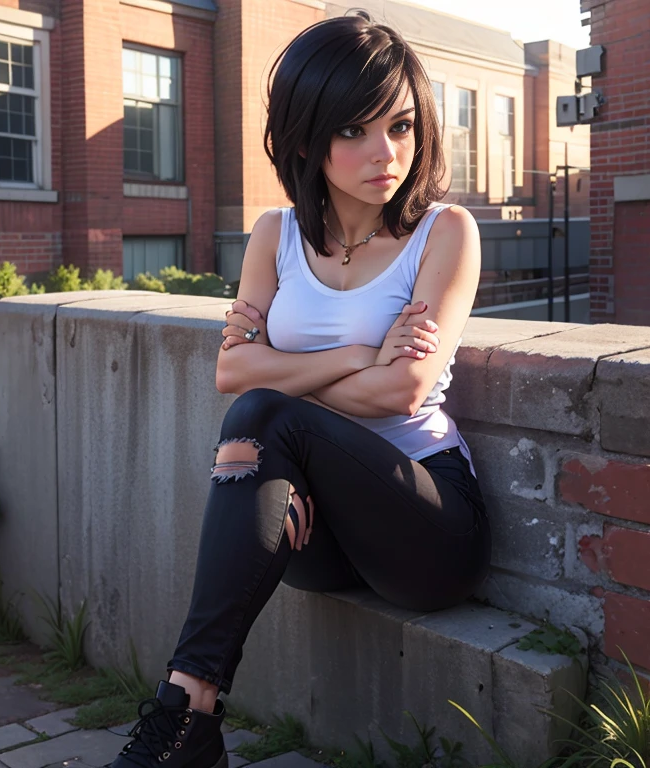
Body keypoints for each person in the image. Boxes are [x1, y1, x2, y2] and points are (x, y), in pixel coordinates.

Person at [111, 12, 491, 768]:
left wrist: (291, 381)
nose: (386, 153)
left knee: (262, 414)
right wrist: (357, 352)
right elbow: (229, 370)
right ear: (306, 139)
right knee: (260, 414)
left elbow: (403, 390)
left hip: (424, 526)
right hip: (315, 531)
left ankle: (184, 716)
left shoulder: (442, 233)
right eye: (354, 130)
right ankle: (192, 725)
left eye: (401, 126)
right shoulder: (273, 236)